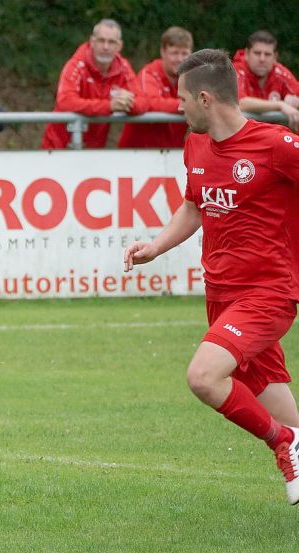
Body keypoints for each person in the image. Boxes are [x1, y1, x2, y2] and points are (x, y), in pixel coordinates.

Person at [123, 48, 299, 505]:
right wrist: (156, 247)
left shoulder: (276, 145)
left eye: (181, 99)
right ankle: (293, 440)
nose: (175, 106)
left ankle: (282, 444)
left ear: (205, 98)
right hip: (221, 295)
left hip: (268, 294)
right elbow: (194, 206)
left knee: (203, 377)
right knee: (293, 421)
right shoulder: (195, 142)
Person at [42, 19, 145, 149]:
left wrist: (128, 102)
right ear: (92, 42)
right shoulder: (76, 64)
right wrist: (109, 106)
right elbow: (65, 101)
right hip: (57, 146)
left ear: (119, 46)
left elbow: (143, 103)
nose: (105, 47)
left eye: (111, 42)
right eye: (101, 40)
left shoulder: (123, 67)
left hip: (94, 149)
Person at [118, 26, 192, 148]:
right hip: (137, 153)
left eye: (184, 53)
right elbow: (150, 102)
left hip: (171, 154)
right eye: (174, 53)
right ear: (162, 52)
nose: (180, 59)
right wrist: (188, 105)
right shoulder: (148, 73)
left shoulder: (193, 77)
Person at [233, 31, 299, 131]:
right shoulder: (235, 70)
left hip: (271, 136)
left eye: (267, 54)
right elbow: (239, 102)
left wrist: (295, 101)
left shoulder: (280, 72)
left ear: (275, 57)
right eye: (257, 53)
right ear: (246, 54)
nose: (262, 59)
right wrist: (281, 105)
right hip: (242, 138)